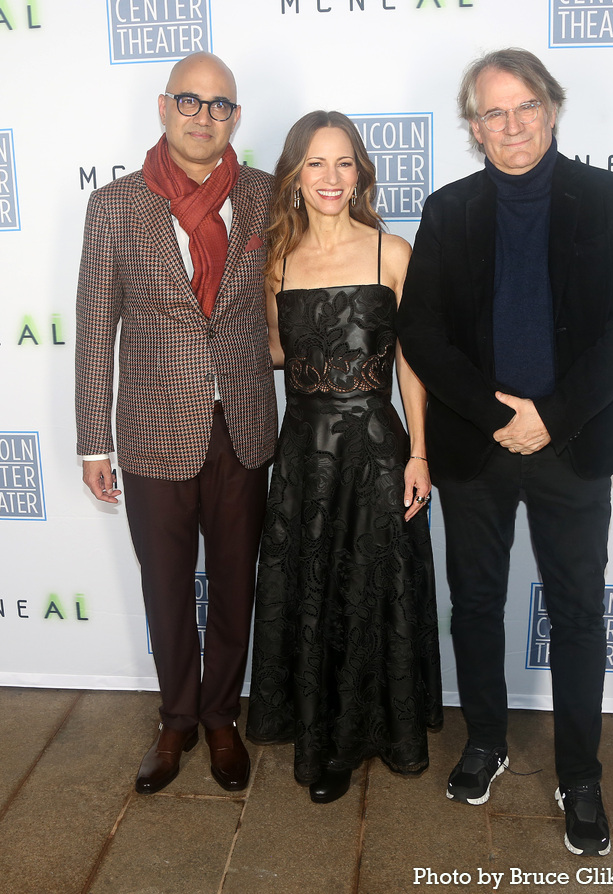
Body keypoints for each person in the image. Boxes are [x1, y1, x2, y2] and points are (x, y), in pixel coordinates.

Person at [397, 49, 613, 855]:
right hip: (476, 447)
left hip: (572, 442)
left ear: (551, 108)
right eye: (492, 113)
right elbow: (422, 333)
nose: (510, 125)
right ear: (473, 127)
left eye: (525, 107)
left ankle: (581, 774)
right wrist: (493, 414)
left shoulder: (609, 198)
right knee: (474, 605)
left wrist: (550, 415)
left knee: (578, 613)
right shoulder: (447, 211)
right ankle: (485, 740)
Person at [75, 52, 276, 795]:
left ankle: (223, 716)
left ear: (236, 119)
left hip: (246, 426)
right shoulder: (116, 207)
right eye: (189, 101)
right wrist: (93, 440)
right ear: (164, 108)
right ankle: (176, 719)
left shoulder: (263, 197)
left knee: (234, 582)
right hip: (154, 429)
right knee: (165, 585)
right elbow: (96, 330)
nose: (203, 115)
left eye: (219, 104)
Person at [246, 111, 443, 804]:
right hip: (302, 452)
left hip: (373, 448)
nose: (330, 178)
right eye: (315, 164)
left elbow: (413, 363)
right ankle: (324, 738)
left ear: (360, 172)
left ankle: (381, 729)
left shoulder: (393, 251)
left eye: (344, 163)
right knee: (315, 594)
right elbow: (276, 350)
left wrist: (420, 453)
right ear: (295, 176)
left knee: (372, 589)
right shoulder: (276, 259)